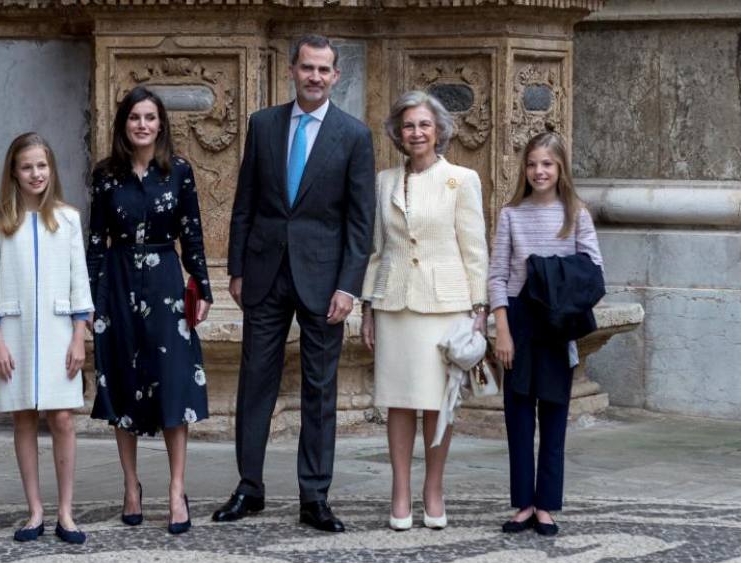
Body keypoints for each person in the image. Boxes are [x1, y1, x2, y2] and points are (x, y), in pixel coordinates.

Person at [213, 34, 375, 533]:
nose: (315, 77)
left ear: (336, 76)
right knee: (254, 382)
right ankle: (249, 487)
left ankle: (315, 496)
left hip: (325, 281)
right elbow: (245, 202)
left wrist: (349, 286)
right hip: (263, 274)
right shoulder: (263, 125)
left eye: (324, 70)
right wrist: (236, 268)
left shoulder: (353, 135)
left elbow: (359, 220)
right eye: (307, 68)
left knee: (320, 390)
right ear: (292, 69)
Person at [360, 91, 489, 531]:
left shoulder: (461, 179)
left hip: (445, 306)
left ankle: (433, 489)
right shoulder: (383, 182)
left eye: (424, 125)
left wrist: (479, 309)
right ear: (398, 133)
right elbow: (377, 249)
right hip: (395, 302)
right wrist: (368, 307)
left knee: (439, 404)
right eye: (409, 125)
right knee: (398, 403)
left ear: (439, 131)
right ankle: (400, 491)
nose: (416, 133)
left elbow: (474, 249)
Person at [86, 86, 213, 534]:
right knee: (121, 380)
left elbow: (192, 234)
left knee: (174, 383)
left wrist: (203, 289)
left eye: (150, 117)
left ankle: (177, 489)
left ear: (161, 124)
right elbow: (96, 240)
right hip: (117, 283)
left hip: (164, 282)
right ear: (124, 124)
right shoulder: (106, 175)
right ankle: (131, 486)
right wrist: (90, 297)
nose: (143, 124)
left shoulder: (178, 171)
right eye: (135, 117)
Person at [0, 132, 93, 544]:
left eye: (42, 165)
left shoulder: (69, 219)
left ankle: (66, 512)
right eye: (27, 167)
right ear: (14, 172)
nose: (35, 173)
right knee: (23, 416)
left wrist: (79, 337)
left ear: (51, 169)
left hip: (61, 333)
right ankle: (35, 511)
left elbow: (80, 282)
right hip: (15, 333)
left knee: (61, 418)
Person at [488, 131, 604, 536]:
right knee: (518, 415)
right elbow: (498, 275)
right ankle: (523, 502)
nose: (540, 171)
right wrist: (501, 329)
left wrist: (555, 280)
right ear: (525, 168)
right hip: (519, 318)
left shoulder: (576, 214)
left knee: (553, 416)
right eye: (533, 164)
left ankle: (547, 506)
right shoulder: (511, 215)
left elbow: (593, 267)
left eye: (547, 164)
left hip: (557, 321)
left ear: (560, 169)